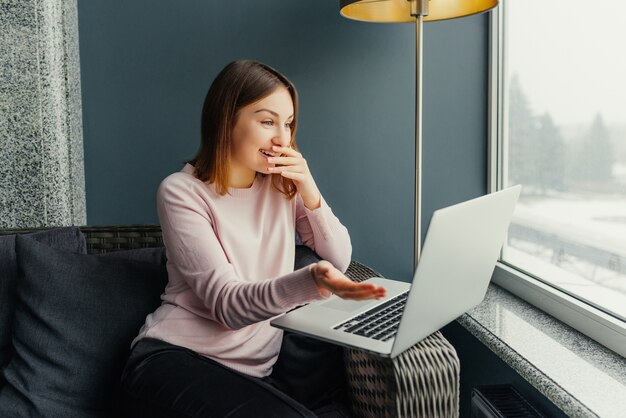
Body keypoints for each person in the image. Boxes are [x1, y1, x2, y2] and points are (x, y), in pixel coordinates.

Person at [118, 60, 387, 417]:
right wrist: (311, 280)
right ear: (226, 119)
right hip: (172, 359)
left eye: (288, 123)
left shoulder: (281, 186)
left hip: (251, 376)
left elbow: (338, 257)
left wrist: (309, 188)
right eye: (266, 121)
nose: (282, 138)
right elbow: (228, 307)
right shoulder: (181, 192)